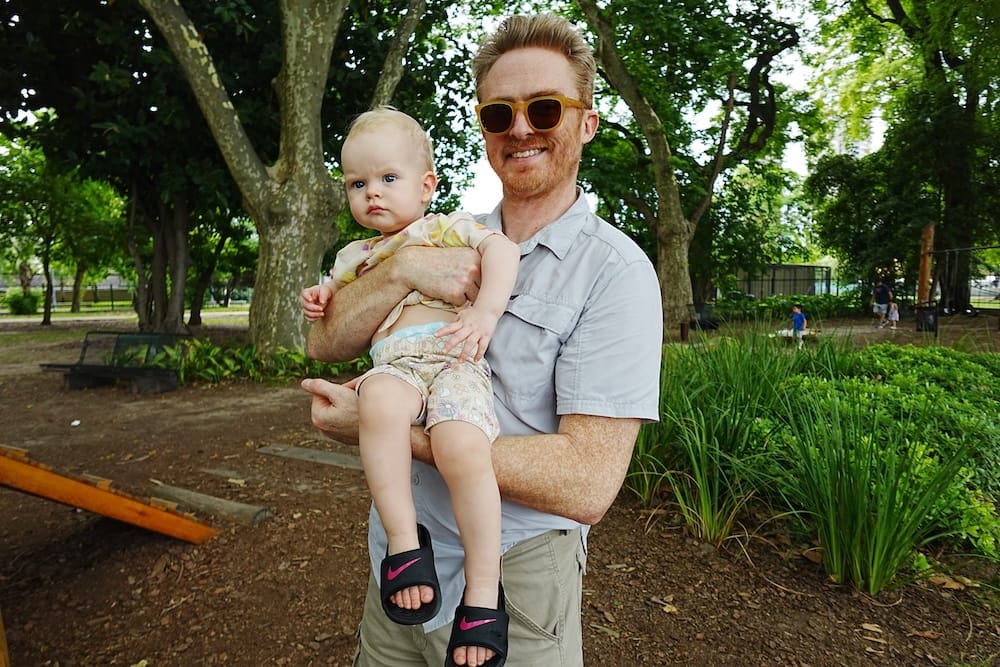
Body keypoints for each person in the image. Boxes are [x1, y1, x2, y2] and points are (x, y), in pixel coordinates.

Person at [301, 13, 663, 667]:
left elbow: (587, 483)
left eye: (545, 108)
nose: (521, 127)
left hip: (513, 587)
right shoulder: (436, 232)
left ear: (586, 123)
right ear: (485, 130)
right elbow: (323, 340)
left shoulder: (617, 273)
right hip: (398, 561)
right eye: (501, 114)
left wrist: (380, 427)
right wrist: (404, 271)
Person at [301, 107, 520, 667]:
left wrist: (487, 315)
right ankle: (404, 542)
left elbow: (502, 250)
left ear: (426, 186)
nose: (372, 193)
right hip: (396, 364)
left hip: (455, 359)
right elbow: (326, 325)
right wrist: (320, 299)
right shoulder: (355, 257)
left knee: (461, 445)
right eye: (358, 183)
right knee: (377, 400)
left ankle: (482, 591)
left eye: (388, 178)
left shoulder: (440, 227)